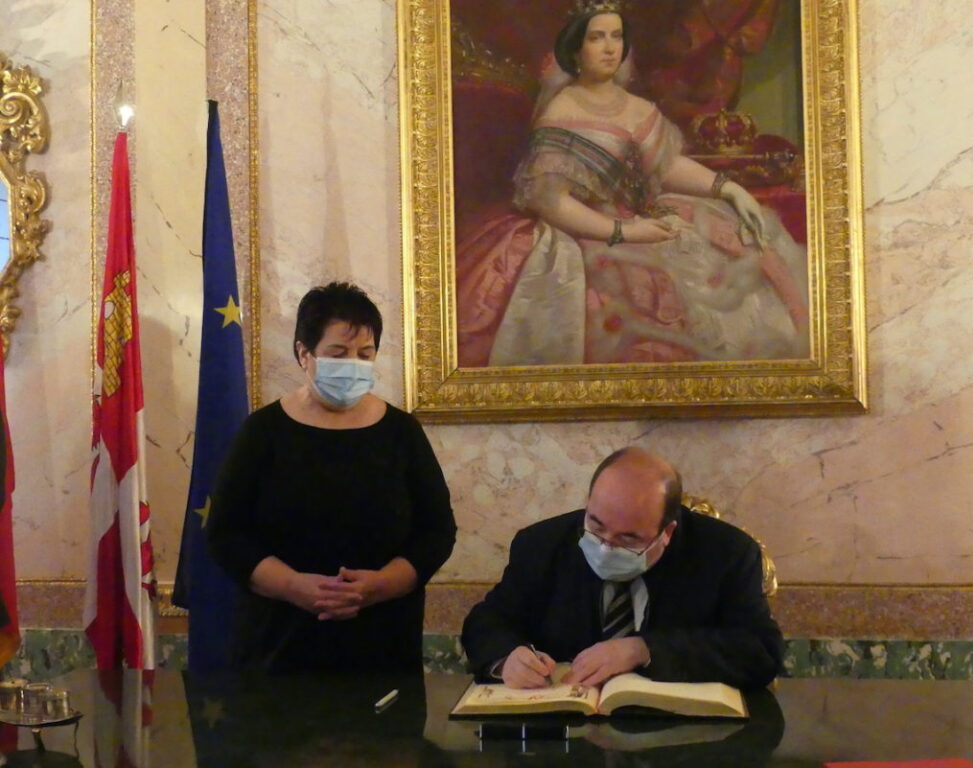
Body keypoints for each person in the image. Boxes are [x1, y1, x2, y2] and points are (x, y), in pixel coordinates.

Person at [457, 2, 808, 366]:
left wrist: (729, 189)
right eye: (597, 38)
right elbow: (552, 202)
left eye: (616, 37)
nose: (610, 48)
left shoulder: (636, 107)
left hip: (640, 214)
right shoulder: (562, 111)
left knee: (738, 246)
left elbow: (665, 165)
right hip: (582, 235)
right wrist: (626, 231)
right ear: (575, 49)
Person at [206, 281, 457, 673]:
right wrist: (294, 586)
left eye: (365, 354)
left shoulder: (401, 432)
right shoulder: (263, 431)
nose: (353, 364)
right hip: (277, 648)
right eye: (338, 354)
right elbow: (225, 533)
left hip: (382, 645)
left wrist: (381, 585)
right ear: (304, 353)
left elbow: (437, 531)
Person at [461, 447, 783, 690]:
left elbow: (761, 651)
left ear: (667, 532)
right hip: (565, 735)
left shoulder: (727, 553)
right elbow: (485, 623)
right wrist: (507, 659)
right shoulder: (541, 545)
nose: (605, 547)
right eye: (596, 525)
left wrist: (643, 650)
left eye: (628, 538)